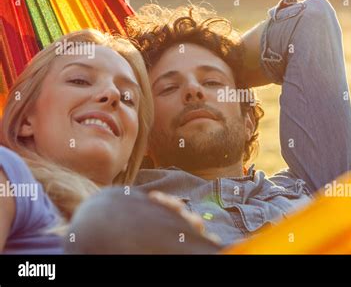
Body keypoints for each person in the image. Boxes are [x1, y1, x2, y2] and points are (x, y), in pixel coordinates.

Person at [66, 0, 351, 253]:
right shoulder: (122, 207)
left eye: (212, 82)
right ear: (143, 138)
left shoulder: (313, 188)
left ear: (248, 123)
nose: (194, 90)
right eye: (168, 88)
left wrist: (230, 61)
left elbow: (310, 20)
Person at [0, 29, 215, 254]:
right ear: (25, 120)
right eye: (80, 80)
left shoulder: (146, 222)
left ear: (131, 154)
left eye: (128, 98)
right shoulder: (10, 178)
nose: (111, 94)